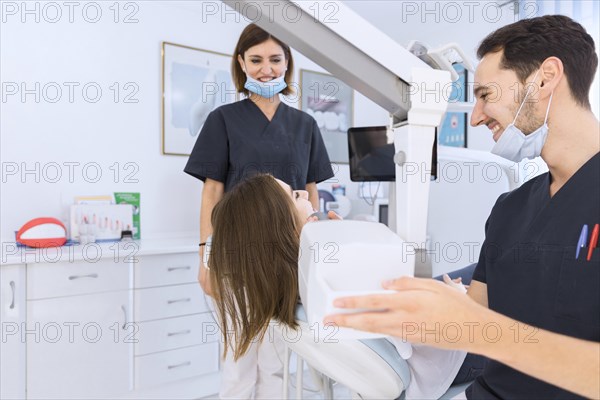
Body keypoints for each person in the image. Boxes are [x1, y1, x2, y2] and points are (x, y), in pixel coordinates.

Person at [325, 15, 600, 399]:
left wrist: (477, 326)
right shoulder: (510, 208)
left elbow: (478, 326)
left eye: (486, 94)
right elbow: (467, 320)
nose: (476, 116)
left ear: (546, 77)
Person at [207, 174, 482, 399]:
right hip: (444, 357)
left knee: (483, 270)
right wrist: (456, 296)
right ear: (280, 228)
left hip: (423, 334)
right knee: (496, 269)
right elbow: (415, 325)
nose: (305, 193)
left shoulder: (299, 286)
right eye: (295, 196)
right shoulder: (336, 279)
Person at [184, 23, 334, 399]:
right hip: (236, 258)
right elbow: (212, 192)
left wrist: (315, 254)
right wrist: (207, 257)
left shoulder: (305, 125)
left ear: (287, 63)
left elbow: (312, 192)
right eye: (256, 60)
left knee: (277, 365)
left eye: (274, 59)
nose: (266, 69)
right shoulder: (223, 120)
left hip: (286, 260)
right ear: (241, 63)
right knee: (238, 363)